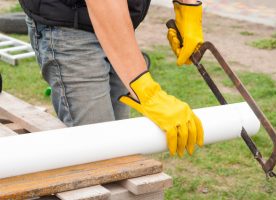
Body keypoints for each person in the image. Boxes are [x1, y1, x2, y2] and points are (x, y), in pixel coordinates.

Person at [18, 0, 204, 157]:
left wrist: (187, 7)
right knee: (97, 149)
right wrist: (147, 92)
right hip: (68, 26)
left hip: (118, 21)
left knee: (118, 143)